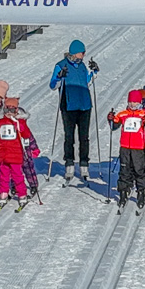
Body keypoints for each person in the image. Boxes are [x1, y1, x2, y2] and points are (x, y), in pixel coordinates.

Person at [49, 41, 97, 183]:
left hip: (84, 105)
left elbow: (86, 82)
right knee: (69, 137)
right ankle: (69, 163)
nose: (84, 54)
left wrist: (94, 72)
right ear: (75, 52)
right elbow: (53, 85)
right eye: (82, 52)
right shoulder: (61, 65)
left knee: (84, 137)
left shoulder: (82, 66)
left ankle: (84, 164)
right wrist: (59, 76)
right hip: (69, 106)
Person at [108, 90, 145, 212]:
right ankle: (124, 191)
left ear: (140, 102)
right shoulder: (123, 114)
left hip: (138, 147)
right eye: (130, 101)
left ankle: (141, 192)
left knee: (139, 170)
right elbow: (114, 125)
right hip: (125, 147)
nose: (133, 104)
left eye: (135, 102)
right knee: (124, 170)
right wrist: (111, 119)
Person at [0, 98, 41, 210]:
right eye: (6, 110)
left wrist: (22, 128)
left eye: (12, 110)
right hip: (3, 154)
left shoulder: (19, 122)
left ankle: (22, 194)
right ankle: (3, 193)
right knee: (3, 176)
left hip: (15, 155)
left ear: (16, 110)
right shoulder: (1, 122)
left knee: (17, 176)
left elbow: (27, 135)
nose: (9, 113)